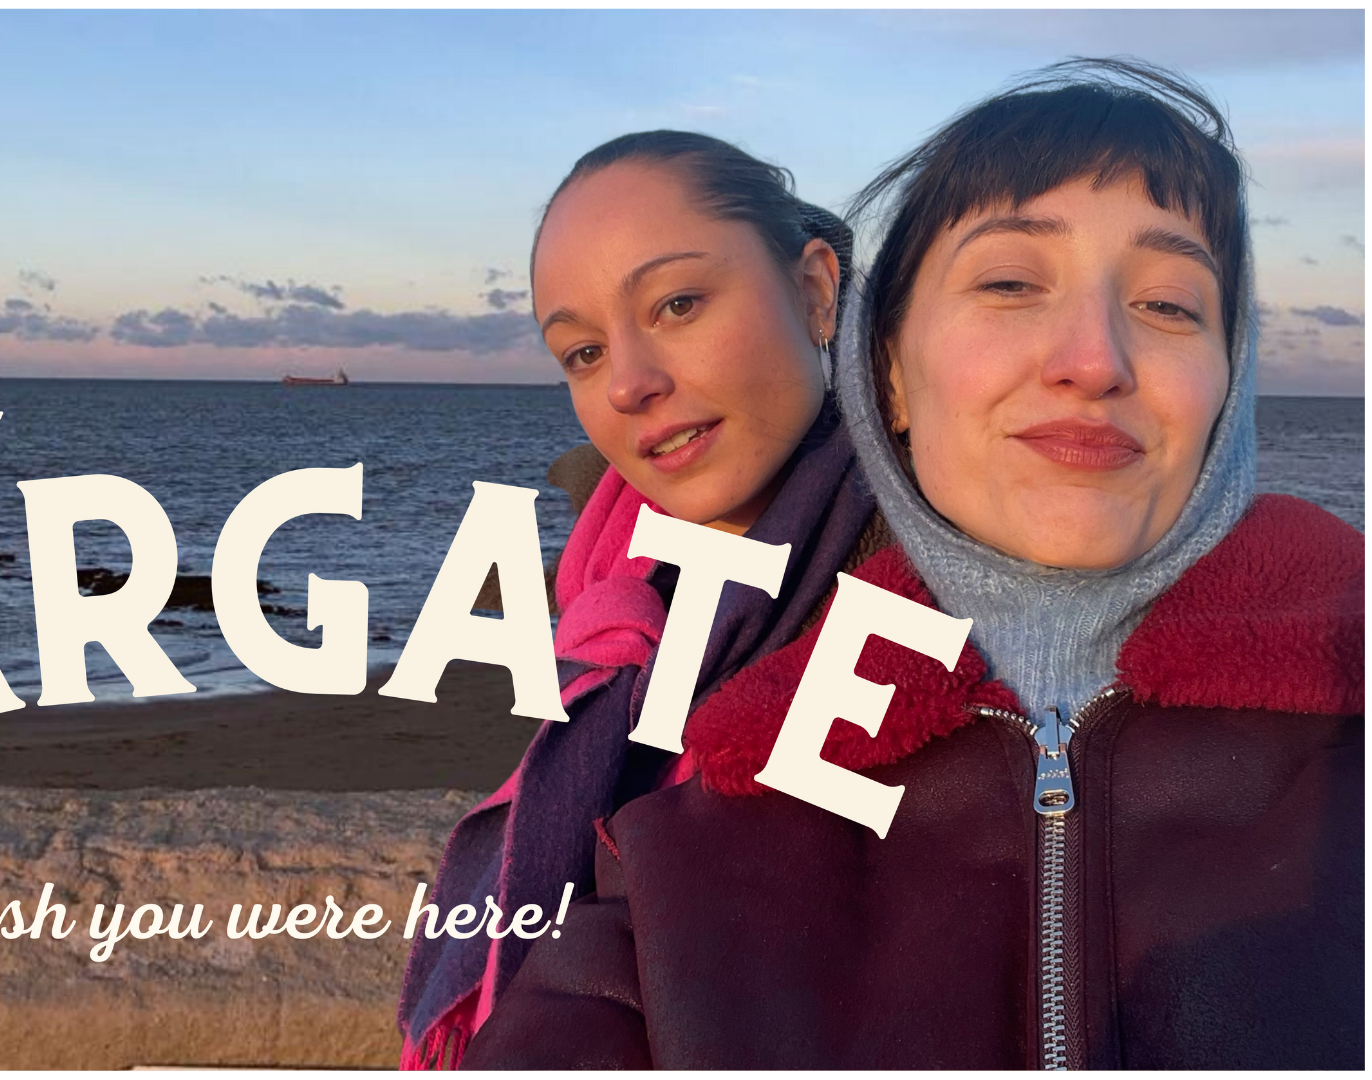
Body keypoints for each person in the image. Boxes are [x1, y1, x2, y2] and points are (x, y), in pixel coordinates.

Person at [461, 59, 1365, 1070]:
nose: (1093, 356)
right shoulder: (695, 832)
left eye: (1169, 304)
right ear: (888, 373)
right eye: (1014, 283)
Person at [399, 131, 883, 1068]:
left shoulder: (958, 597)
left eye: (679, 303)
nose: (628, 382)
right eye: (581, 352)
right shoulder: (615, 593)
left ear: (815, 291)